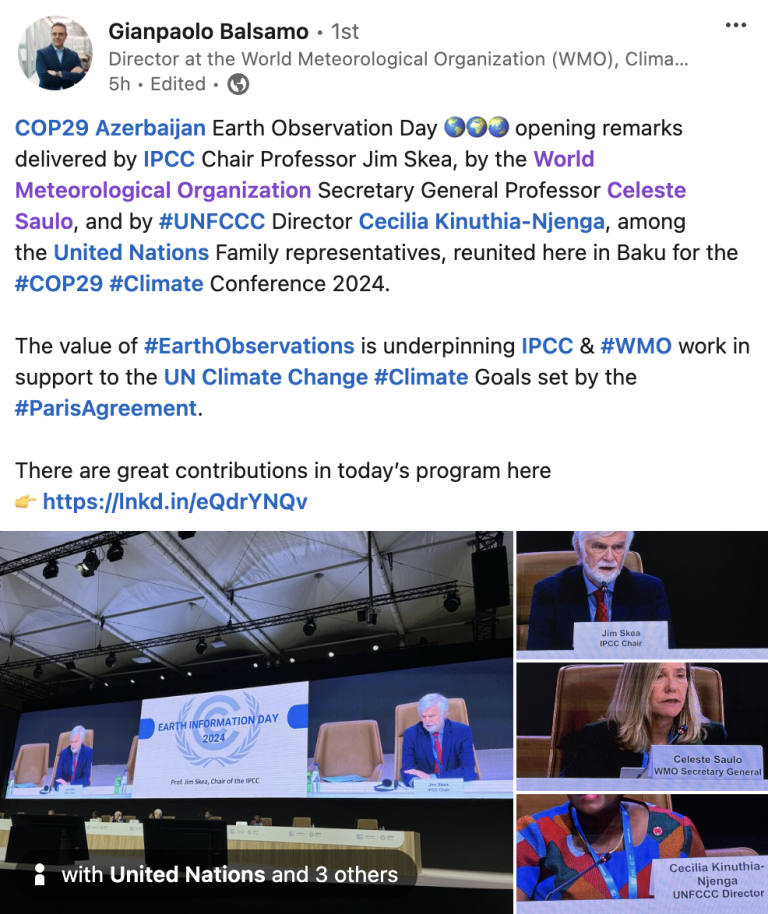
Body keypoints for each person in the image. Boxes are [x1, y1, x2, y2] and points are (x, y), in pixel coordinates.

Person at [517, 794, 706, 900]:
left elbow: (703, 906)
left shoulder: (674, 830)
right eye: (579, 772)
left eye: (601, 770)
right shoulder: (534, 833)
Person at [559, 662, 727, 777]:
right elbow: (567, 796)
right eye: (658, 676)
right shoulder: (598, 738)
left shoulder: (711, 737)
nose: (672, 687)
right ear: (636, 686)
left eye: (680, 675)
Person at [526, 531, 676, 650]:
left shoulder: (650, 590)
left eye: (618, 547)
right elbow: (537, 657)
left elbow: (664, 654)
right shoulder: (549, 592)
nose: (610, 557)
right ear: (579, 548)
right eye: (599, 547)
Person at [400, 693, 478, 786]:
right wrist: (417, 782)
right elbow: (408, 769)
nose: (427, 721)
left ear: (444, 714)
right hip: (425, 787)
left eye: (431, 716)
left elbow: (468, 770)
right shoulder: (411, 734)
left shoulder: (462, 731)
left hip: (454, 785)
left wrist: (432, 778)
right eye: (423, 716)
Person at [35, 22, 87, 90]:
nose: (57, 37)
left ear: (66, 36)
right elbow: (43, 77)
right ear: (51, 35)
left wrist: (58, 73)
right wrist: (69, 76)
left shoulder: (73, 55)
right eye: (54, 34)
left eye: (61, 34)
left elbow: (81, 77)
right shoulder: (41, 53)